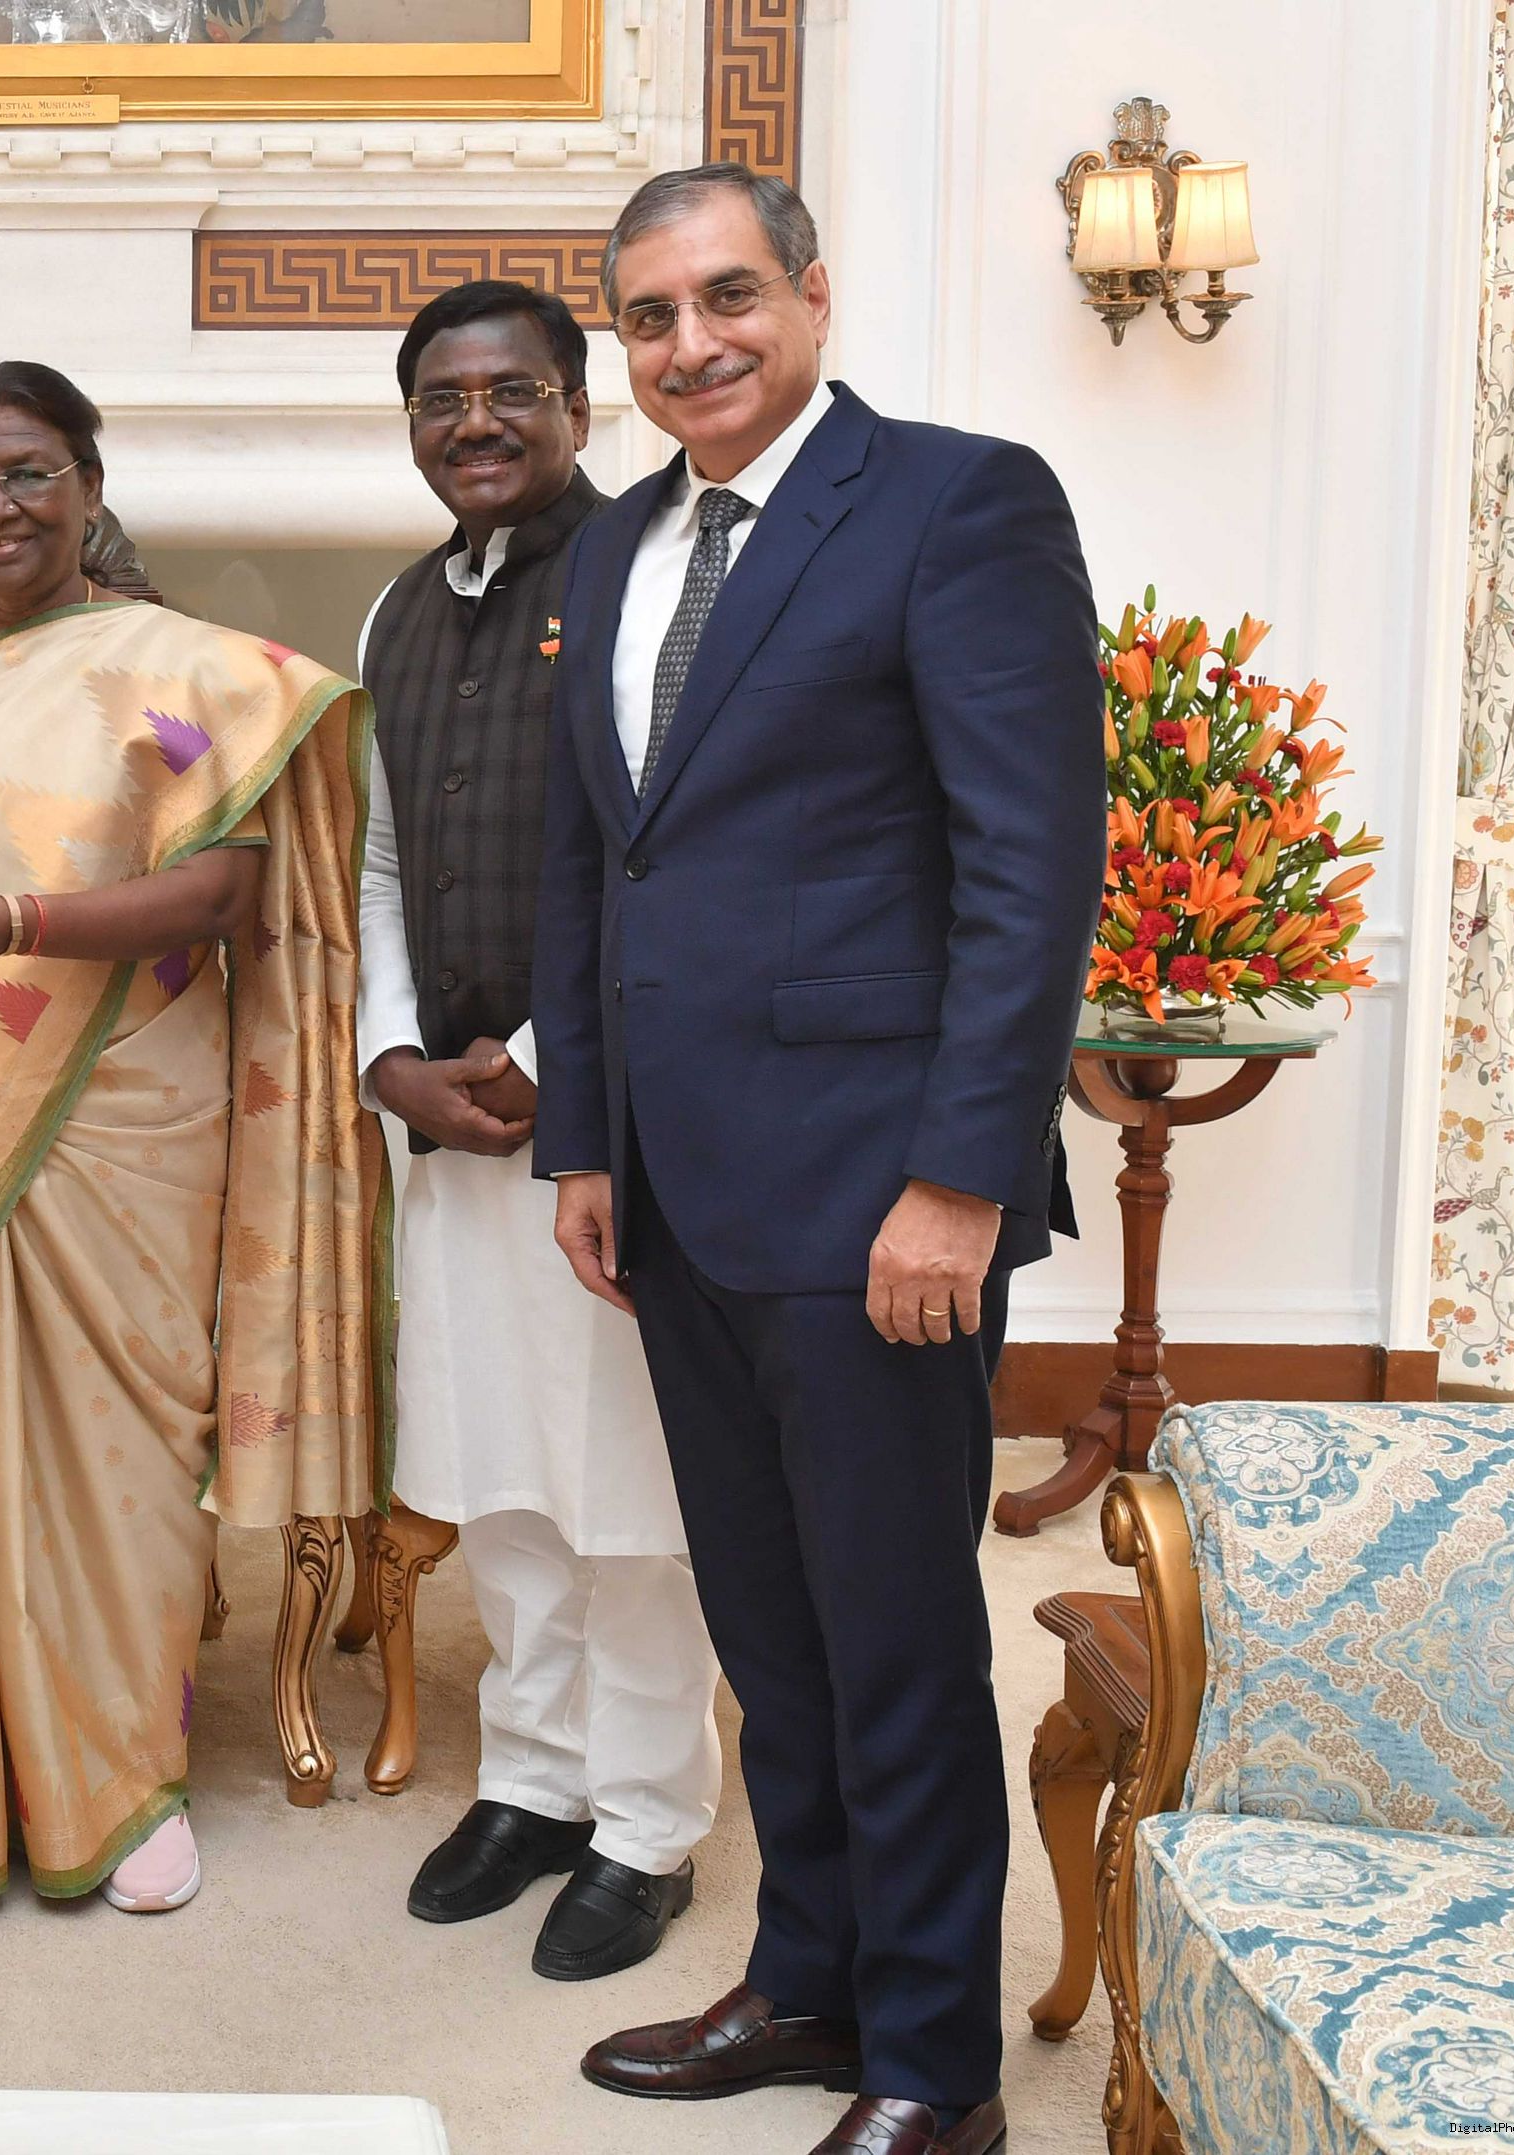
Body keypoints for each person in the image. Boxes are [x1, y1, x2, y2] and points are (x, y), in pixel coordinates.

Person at [532, 168, 1100, 2155]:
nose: (689, 344)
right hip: (677, 1196)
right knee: (769, 1638)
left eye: (726, 298)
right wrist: (582, 1140)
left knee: (893, 1639)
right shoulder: (614, 546)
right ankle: (809, 1982)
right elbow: (592, 866)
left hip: (879, 1197)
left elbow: (1030, 863)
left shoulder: (956, 504)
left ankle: (934, 2066)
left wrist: (961, 1179)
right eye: (649, 317)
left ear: (812, 294)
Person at [0, 359, 386, 1914]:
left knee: (120, 1450)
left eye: (28, 473)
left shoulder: (177, 668)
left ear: (89, 487)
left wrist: (14, 920)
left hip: (117, 1103)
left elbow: (228, 892)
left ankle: (125, 1784)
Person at [354, 280, 719, 1981]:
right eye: (443, 399)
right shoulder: (397, 609)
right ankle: (533, 1780)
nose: (476, 423)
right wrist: (388, 1058)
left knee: (627, 1489)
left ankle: (647, 1820)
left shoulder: (658, 576)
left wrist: (548, 1056)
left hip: (614, 1122)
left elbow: (678, 851)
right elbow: (373, 860)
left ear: (582, 407)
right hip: (448, 1120)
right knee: (497, 1472)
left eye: (512, 391)